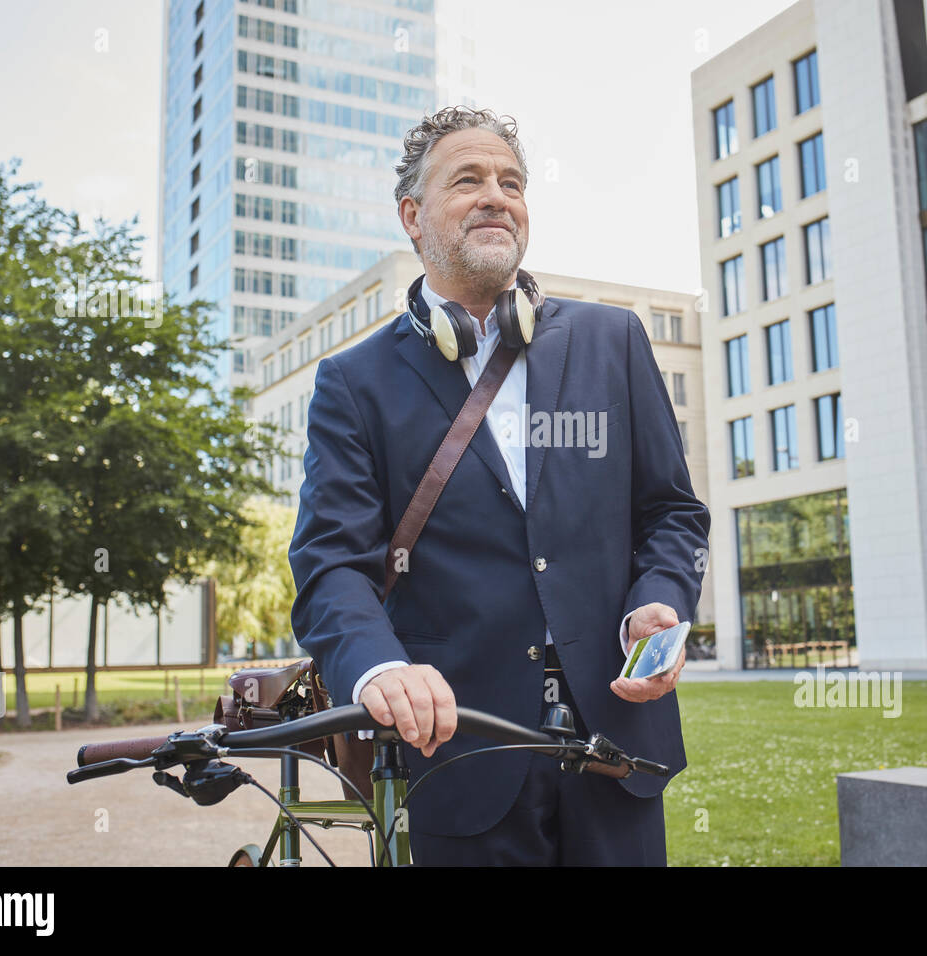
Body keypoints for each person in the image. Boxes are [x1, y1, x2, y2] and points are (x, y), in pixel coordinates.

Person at [289, 106, 710, 865]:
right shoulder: (353, 383)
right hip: (459, 750)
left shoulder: (612, 340)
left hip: (615, 739)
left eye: (511, 182)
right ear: (413, 217)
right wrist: (382, 669)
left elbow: (671, 512)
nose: (496, 195)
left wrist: (663, 598)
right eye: (469, 180)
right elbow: (331, 570)